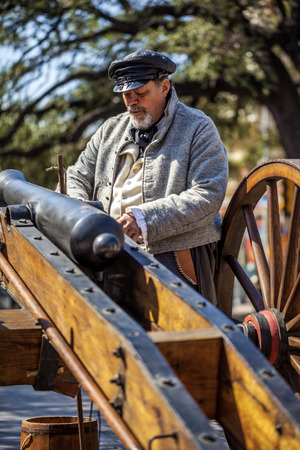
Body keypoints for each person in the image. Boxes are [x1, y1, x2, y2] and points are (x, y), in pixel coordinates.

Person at [66, 49, 228, 304]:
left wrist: (143, 219)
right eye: (126, 95)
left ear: (164, 87)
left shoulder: (198, 127)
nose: (132, 102)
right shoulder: (110, 130)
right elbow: (76, 175)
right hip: (107, 257)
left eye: (140, 93)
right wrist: (79, 206)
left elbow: (208, 194)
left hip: (172, 259)